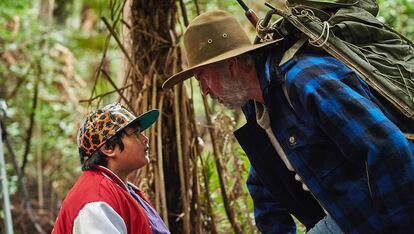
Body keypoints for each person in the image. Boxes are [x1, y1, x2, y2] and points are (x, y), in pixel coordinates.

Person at [162, 10, 414, 233]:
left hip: (386, 215)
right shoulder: (257, 106)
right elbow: (264, 186)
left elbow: (387, 148)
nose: (204, 91)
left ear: (231, 65)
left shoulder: (305, 81)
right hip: (345, 217)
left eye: (202, 78)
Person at [52, 103, 170, 234]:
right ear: (108, 148)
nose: (145, 139)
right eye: (135, 133)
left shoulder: (122, 189)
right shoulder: (95, 203)